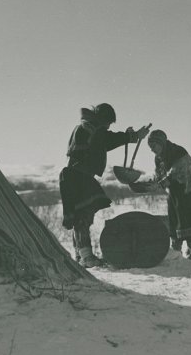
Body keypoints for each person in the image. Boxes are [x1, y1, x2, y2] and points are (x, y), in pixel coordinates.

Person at [60, 103, 150, 268]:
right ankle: (86, 257)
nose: (108, 127)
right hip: (78, 177)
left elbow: (106, 141)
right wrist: (134, 136)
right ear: (103, 120)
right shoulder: (90, 128)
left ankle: (81, 255)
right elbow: (109, 139)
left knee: (81, 215)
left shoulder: (88, 128)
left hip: (76, 176)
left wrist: (131, 137)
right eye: (108, 123)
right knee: (83, 216)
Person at [147, 129, 191, 260]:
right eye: (150, 147)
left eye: (154, 146)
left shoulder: (178, 152)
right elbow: (160, 175)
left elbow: (178, 172)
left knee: (190, 219)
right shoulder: (158, 158)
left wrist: (164, 181)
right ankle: (175, 252)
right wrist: (155, 181)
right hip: (175, 193)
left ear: (161, 143)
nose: (152, 150)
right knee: (175, 219)